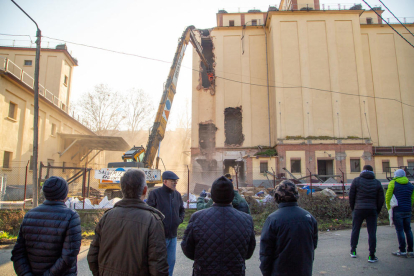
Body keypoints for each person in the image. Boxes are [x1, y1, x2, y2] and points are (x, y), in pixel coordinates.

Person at [87, 169, 168, 275]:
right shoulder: (153, 221)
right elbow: (158, 266)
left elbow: (92, 257)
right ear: (144, 190)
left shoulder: (107, 217)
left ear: (122, 189)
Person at [181, 176, 256, 275]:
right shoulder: (246, 220)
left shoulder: (197, 218)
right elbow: (248, 253)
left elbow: (187, 249)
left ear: (212, 196)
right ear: (233, 196)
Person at [11, 176, 82, 276]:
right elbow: (68, 256)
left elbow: (18, 254)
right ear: (64, 194)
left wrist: (26, 274)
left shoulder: (29, 215)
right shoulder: (71, 217)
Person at [260, 180, 318, 276]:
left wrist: (266, 272)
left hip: (280, 271)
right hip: (304, 270)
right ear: (296, 196)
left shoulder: (273, 219)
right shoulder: (309, 217)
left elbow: (266, 251)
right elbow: (313, 245)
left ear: (277, 197)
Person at [147, 171, 185, 276]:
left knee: (171, 262)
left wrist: (179, 220)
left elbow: (182, 210)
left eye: (176, 181)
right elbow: (149, 211)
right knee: (158, 263)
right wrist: (156, 225)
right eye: (173, 181)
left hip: (173, 236)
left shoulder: (177, 195)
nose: (175, 183)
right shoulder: (155, 194)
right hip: (159, 236)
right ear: (165, 181)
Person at [349, 164, 385, 262]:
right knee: (372, 232)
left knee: (355, 230)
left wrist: (354, 209)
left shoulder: (356, 181)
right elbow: (381, 199)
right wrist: (376, 210)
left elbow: (351, 197)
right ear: (372, 172)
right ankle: (371, 255)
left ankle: (353, 251)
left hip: (358, 209)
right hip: (372, 210)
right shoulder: (377, 182)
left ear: (363, 171)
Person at [385, 169, 414, 257]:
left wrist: (389, 208)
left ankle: (402, 250)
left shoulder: (393, 183)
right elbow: (412, 198)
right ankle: (411, 250)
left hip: (397, 210)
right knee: (408, 230)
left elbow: (388, 196)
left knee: (400, 230)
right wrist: (409, 206)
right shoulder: (410, 184)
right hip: (407, 210)